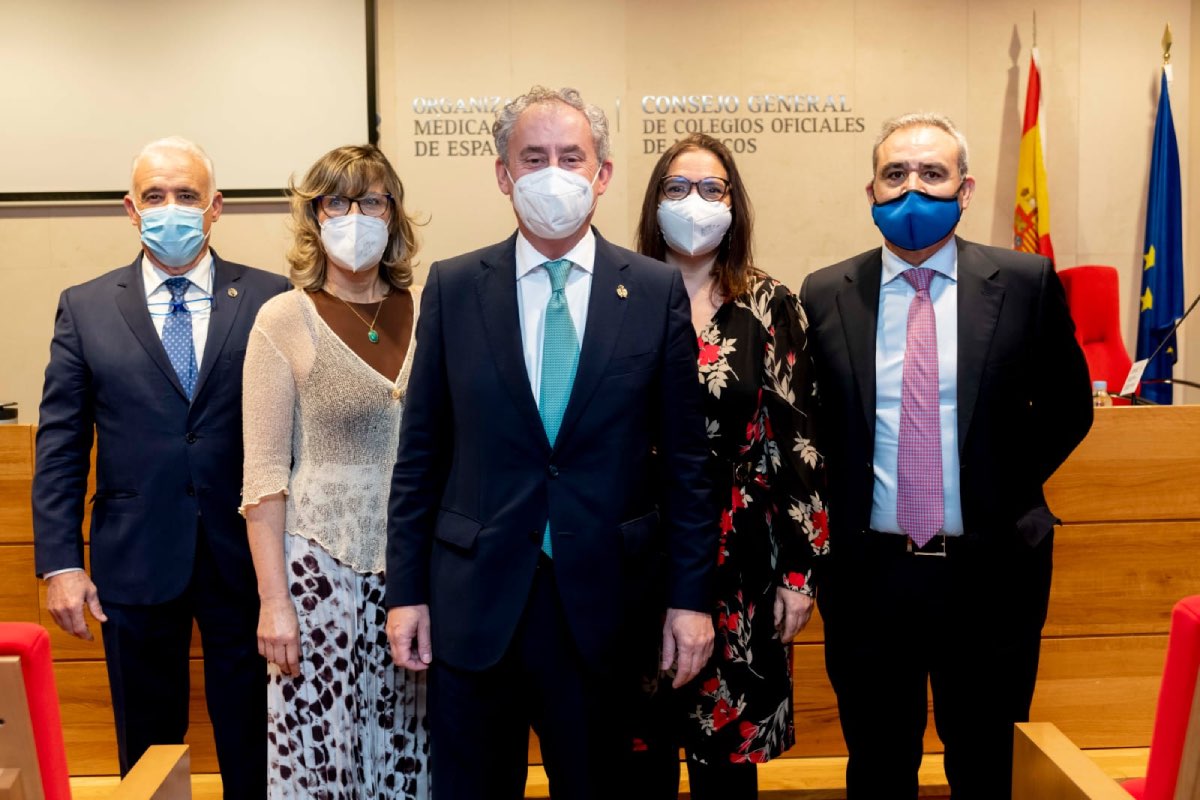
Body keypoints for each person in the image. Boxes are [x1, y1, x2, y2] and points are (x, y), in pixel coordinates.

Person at [384, 86, 717, 800]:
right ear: (503, 175)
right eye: (534, 158)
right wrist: (405, 593)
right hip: (475, 604)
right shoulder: (452, 287)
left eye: (572, 157)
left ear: (603, 174)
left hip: (607, 606)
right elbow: (420, 458)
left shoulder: (656, 292)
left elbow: (687, 467)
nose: (553, 174)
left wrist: (690, 600)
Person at [799, 113, 1093, 799]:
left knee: (988, 766)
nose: (911, 190)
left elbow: (1069, 407)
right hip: (870, 577)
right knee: (877, 767)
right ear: (869, 191)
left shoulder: (1026, 282)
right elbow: (817, 426)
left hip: (991, 574)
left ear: (964, 190)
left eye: (932, 174)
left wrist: (997, 483)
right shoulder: (823, 293)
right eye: (894, 174)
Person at [32, 136, 289, 798]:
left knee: (256, 743)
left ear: (215, 208)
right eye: (154, 196)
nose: (169, 209)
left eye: (186, 196)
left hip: (249, 562)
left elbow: (298, 439)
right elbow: (61, 442)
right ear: (130, 207)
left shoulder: (272, 298)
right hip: (134, 560)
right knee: (148, 752)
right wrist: (61, 563)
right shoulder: (85, 306)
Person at [629, 134, 827, 799]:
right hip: (636, 560)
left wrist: (800, 572)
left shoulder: (769, 303)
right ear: (654, 202)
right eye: (677, 188)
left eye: (711, 188)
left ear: (734, 205)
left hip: (741, 566)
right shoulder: (617, 296)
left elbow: (797, 440)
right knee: (637, 759)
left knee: (725, 776)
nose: (694, 202)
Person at [240, 144, 428, 799]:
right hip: (319, 575)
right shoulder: (283, 319)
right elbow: (263, 478)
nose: (354, 215)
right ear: (315, 216)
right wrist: (273, 605)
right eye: (337, 201)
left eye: (370, 199)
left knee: (415, 755)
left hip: (417, 572)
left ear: (393, 212)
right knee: (325, 763)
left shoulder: (432, 310)